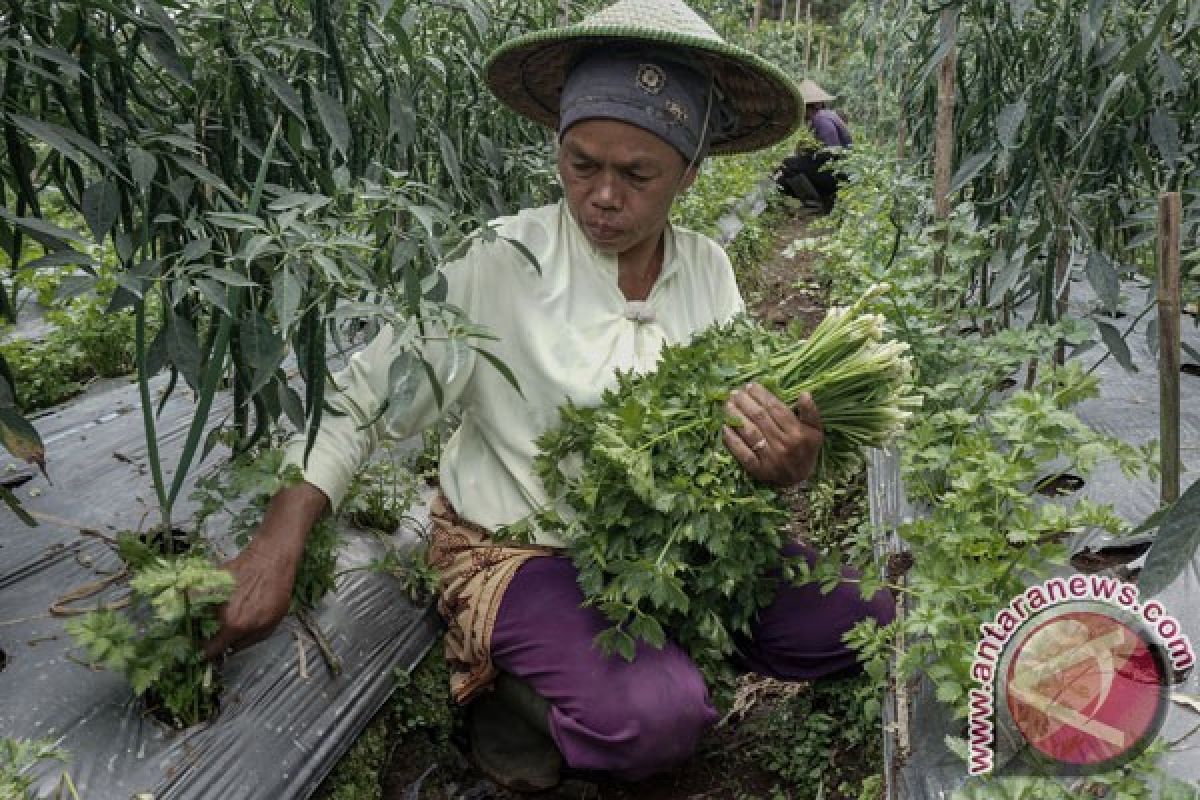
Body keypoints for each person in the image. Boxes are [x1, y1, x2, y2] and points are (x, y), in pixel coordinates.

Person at [204, 0, 893, 791]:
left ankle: (650, 659)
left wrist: (785, 465)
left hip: (674, 549)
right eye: (580, 163)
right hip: (529, 551)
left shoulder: (708, 267)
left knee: (868, 616)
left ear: (691, 172)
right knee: (658, 718)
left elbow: (733, 432)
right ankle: (516, 703)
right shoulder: (500, 262)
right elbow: (361, 400)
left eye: (637, 175)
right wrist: (276, 540)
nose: (603, 195)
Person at [775, 79, 852, 213]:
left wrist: (807, 153)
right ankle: (823, 200)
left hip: (838, 174)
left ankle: (815, 203)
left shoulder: (821, 119)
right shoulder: (824, 116)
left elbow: (832, 153)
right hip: (837, 172)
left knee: (788, 164)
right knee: (783, 178)